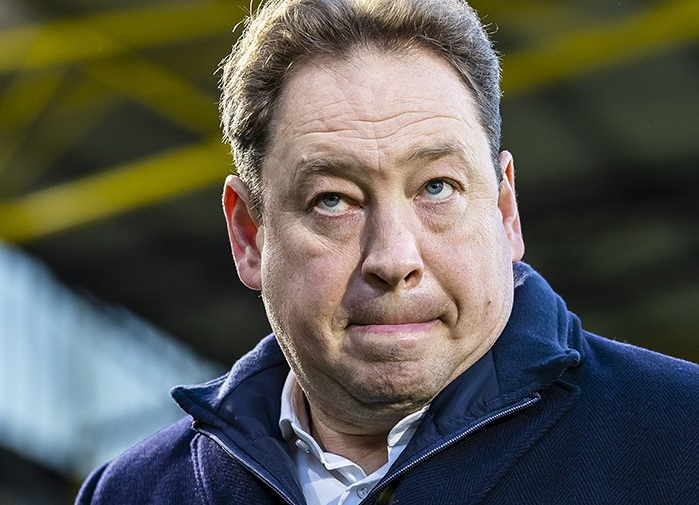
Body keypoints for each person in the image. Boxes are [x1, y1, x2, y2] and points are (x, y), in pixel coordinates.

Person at [76, 0, 699, 503]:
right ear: (249, 236)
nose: (394, 259)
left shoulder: (683, 442)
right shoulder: (133, 494)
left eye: (437, 187)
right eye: (332, 200)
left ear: (505, 210)